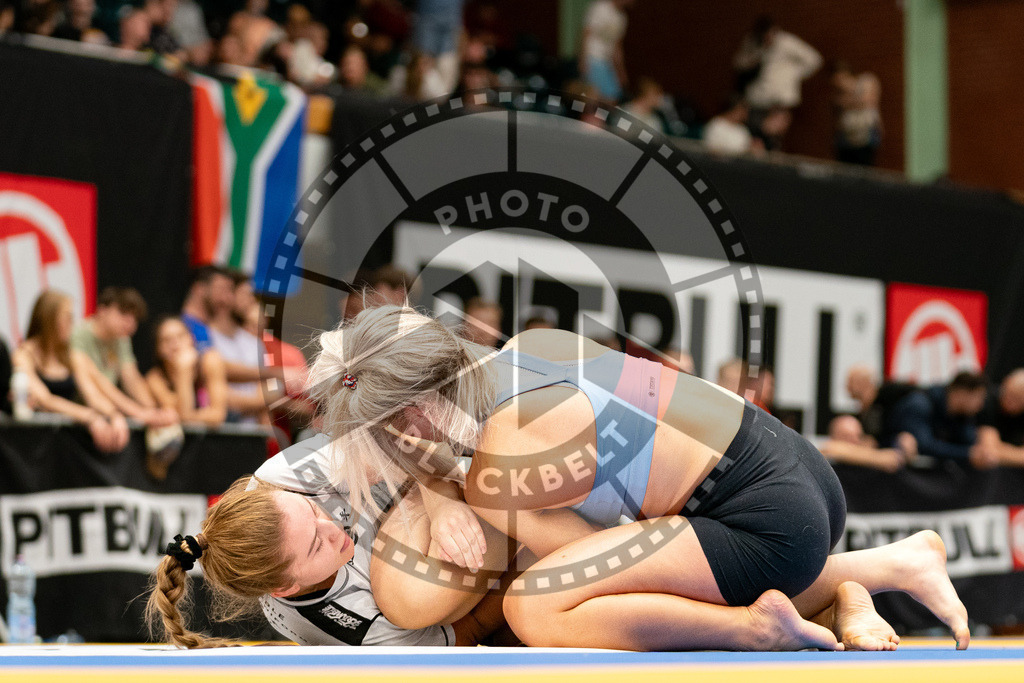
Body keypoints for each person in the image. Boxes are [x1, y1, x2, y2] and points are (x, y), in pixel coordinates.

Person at [307, 306, 971, 651]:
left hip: (767, 522)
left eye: (393, 431)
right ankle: (884, 565)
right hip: (792, 465)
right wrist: (442, 485)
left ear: (419, 410)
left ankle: (759, 626)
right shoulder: (529, 346)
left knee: (535, 604)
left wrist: (456, 498)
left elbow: (588, 565)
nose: (399, 447)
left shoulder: (501, 455)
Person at [147, 434, 514, 648]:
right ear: (285, 587)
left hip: (461, 467)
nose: (332, 529)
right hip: (489, 575)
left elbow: (409, 437)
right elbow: (464, 633)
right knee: (412, 603)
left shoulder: (281, 479)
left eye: (315, 511)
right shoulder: (338, 624)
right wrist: (519, 582)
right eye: (315, 546)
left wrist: (442, 502)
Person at [12, 290, 130, 453]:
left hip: (69, 449)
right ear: (50, 318)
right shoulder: (24, 355)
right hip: (37, 448)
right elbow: (46, 399)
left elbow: (95, 392)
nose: (72, 324)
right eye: (67, 317)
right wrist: (90, 417)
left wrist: (114, 415)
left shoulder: (71, 354)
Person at [71, 286, 177, 428]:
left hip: (106, 413)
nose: (130, 323)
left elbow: (132, 379)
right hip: (79, 414)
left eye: (134, 318)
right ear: (102, 311)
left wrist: (153, 411)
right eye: (123, 314)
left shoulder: (121, 340)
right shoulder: (79, 334)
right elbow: (97, 384)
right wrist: (140, 413)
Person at [885, 371, 988, 464]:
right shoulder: (919, 404)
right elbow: (925, 446)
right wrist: (967, 454)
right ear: (961, 393)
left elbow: (969, 442)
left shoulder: (962, 415)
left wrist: (980, 451)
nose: (981, 405)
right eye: (978, 398)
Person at [145, 315, 228, 426]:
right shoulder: (155, 378)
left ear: (191, 339)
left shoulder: (210, 361)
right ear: (158, 349)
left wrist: (187, 416)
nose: (175, 344)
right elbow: (183, 413)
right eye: (167, 340)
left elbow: (218, 415)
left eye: (180, 336)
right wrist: (184, 371)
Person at [579, 0, 635, 103]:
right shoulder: (601, 7)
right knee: (597, 96)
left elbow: (617, 47)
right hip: (593, 57)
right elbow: (586, 33)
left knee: (614, 95)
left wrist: (620, 71)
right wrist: (583, 60)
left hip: (607, 61)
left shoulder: (622, 18)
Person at [831, 60, 881, 166]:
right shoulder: (838, 92)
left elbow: (867, 101)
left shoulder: (867, 80)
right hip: (846, 136)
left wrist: (849, 96)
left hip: (865, 134)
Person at [976, 369, 1024, 468]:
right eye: (1007, 393)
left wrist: (1002, 449)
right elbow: (990, 451)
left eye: (1016, 398)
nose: (1008, 400)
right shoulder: (988, 401)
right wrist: (1018, 453)